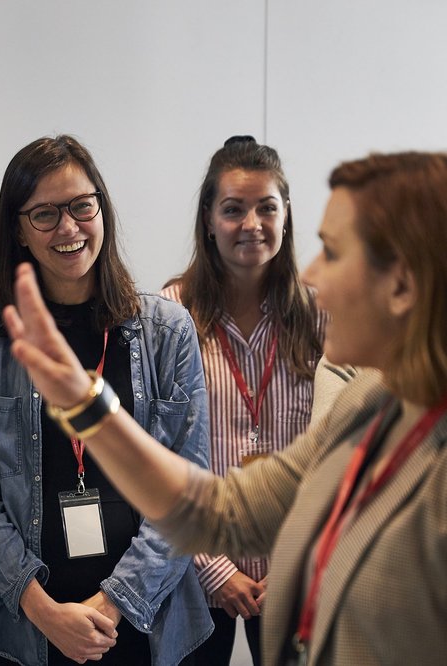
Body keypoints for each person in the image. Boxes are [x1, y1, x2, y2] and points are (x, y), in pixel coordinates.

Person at [2, 151, 447, 666]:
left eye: (334, 251)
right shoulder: (370, 409)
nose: (312, 272)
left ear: (401, 284)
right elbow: (215, 511)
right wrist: (84, 403)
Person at [0, 135, 212, 666]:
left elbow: (188, 488)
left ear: (102, 208)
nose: (69, 228)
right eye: (45, 214)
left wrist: (112, 606)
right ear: (19, 230)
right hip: (27, 630)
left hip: (151, 624)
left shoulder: (167, 329)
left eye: (81, 206)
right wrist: (43, 610)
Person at [160, 136, 324, 665]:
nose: (251, 223)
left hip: (297, 574)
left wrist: (298, 559)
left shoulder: (323, 317)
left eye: (267, 207)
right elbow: (157, 454)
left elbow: (342, 452)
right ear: (208, 218)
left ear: (287, 215)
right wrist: (214, 567)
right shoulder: (171, 314)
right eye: (233, 209)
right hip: (194, 569)